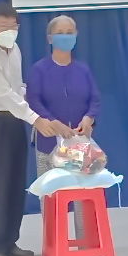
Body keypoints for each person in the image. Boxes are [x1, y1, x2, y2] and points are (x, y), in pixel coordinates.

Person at [0, 2, 73, 256]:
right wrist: (37, 119)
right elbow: (3, 95)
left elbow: (18, 89)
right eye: (4, 27)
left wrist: (40, 108)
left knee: (14, 183)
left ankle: (9, 241)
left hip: (13, 121)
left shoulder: (14, 50)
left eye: (14, 26)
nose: (10, 32)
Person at [26, 15, 102, 237]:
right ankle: (54, 242)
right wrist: (54, 123)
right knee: (51, 196)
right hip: (49, 142)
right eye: (60, 33)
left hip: (79, 143)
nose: (65, 37)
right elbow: (34, 101)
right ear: (50, 38)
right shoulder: (39, 70)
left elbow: (95, 100)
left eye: (70, 33)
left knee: (83, 195)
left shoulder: (83, 70)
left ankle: (86, 241)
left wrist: (89, 118)